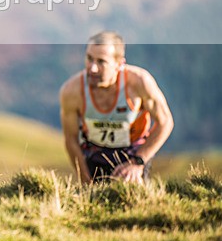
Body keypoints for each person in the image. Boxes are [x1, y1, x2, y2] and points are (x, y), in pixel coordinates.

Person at [59, 31, 174, 183]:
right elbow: (71, 139)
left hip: (133, 153)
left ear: (119, 64)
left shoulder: (139, 83)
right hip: (95, 152)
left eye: (101, 62)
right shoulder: (72, 91)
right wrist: (86, 181)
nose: (92, 68)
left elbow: (165, 122)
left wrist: (138, 162)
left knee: (133, 199)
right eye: (89, 59)